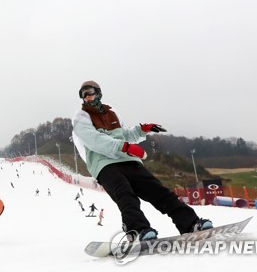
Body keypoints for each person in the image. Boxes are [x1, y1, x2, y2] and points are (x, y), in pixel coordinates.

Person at [72, 80, 213, 241]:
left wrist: (141, 130)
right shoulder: (81, 117)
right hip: (104, 164)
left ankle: (190, 223)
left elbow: (124, 134)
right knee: (125, 194)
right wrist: (124, 147)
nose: (87, 97)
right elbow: (94, 140)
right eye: (83, 94)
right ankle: (138, 229)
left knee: (158, 191)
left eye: (90, 92)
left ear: (98, 92)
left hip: (127, 160)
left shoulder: (111, 112)